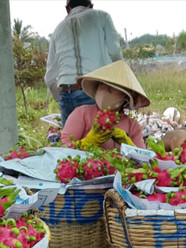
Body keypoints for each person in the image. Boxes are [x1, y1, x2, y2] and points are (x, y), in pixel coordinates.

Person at [44, 0, 123, 128]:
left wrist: (61, 97)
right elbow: (115, 53)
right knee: (98, 139)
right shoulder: (102, 17)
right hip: (91, 92)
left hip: (66, 94)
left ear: (67, 9)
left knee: (70, 140)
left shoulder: (58, 30)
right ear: (90, 6)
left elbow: (50, 77)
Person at [60, 60, 149, 150]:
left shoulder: (132, 126)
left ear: (125, 96)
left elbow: (144, 157)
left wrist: (129, 145)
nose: (105, 89)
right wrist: (87, 142)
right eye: (102, 84)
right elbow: (62, 148)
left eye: (112, 87)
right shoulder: (82, 113)